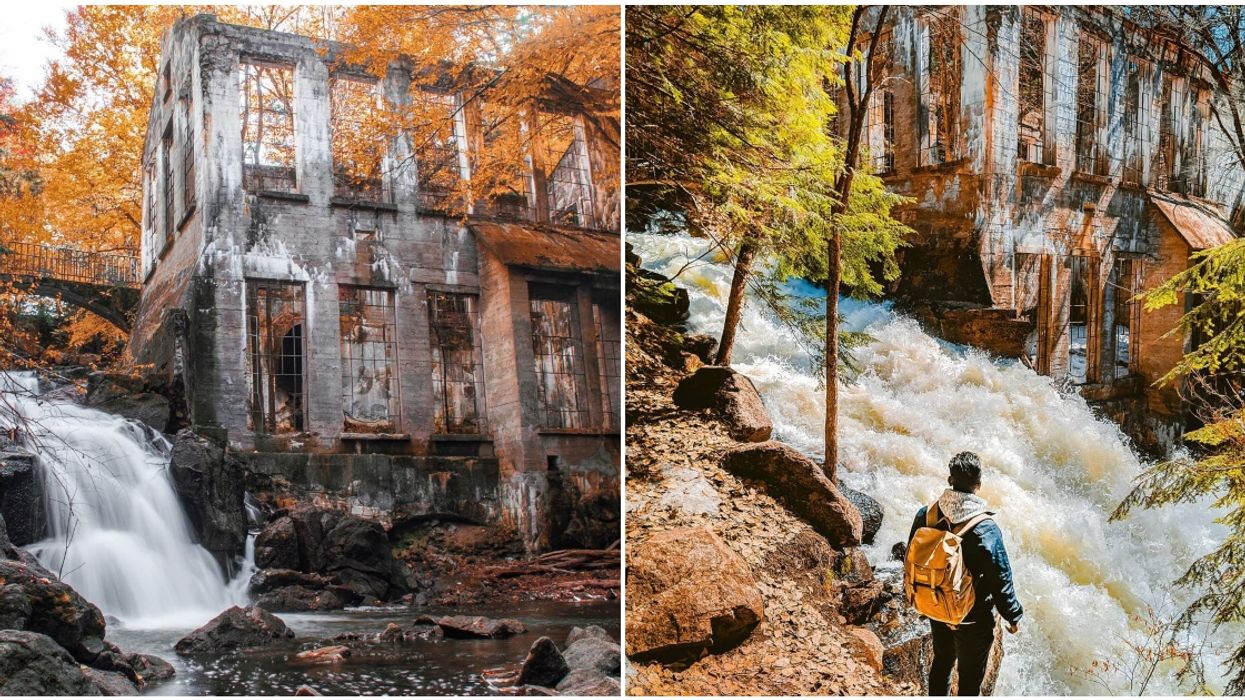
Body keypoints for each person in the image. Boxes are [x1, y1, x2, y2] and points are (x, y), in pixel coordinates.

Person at [907, 451, 1023, 696]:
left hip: (936, 604)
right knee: (970, 682)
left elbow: (910, 557)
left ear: (950, 480)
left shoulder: (925, 515)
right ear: (978, 485)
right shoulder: (985, 529)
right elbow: (1000, 578)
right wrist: (1012, 615)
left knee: (941, 664)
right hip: (972, 617)